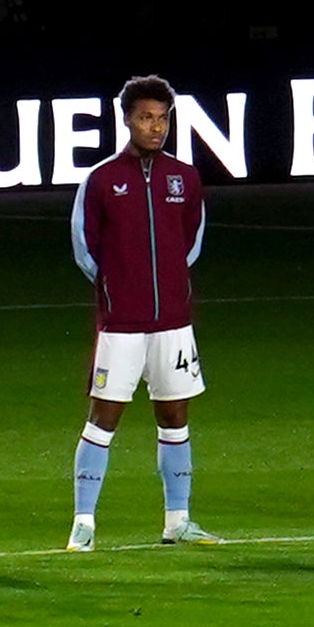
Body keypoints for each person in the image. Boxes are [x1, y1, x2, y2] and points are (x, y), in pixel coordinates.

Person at [68, 77, 221, 553]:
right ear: (127, 120)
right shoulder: (102, 180)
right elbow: (84, 247)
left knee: (175, 417)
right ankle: (83, 522)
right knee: (103, 418)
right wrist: (118, 285)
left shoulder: (186, 178)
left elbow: (190, 242)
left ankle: (178, 520)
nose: (156, 127)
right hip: (122, 323)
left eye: (163, 118)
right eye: (146, 118)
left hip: (174, 321)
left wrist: (170, 281)